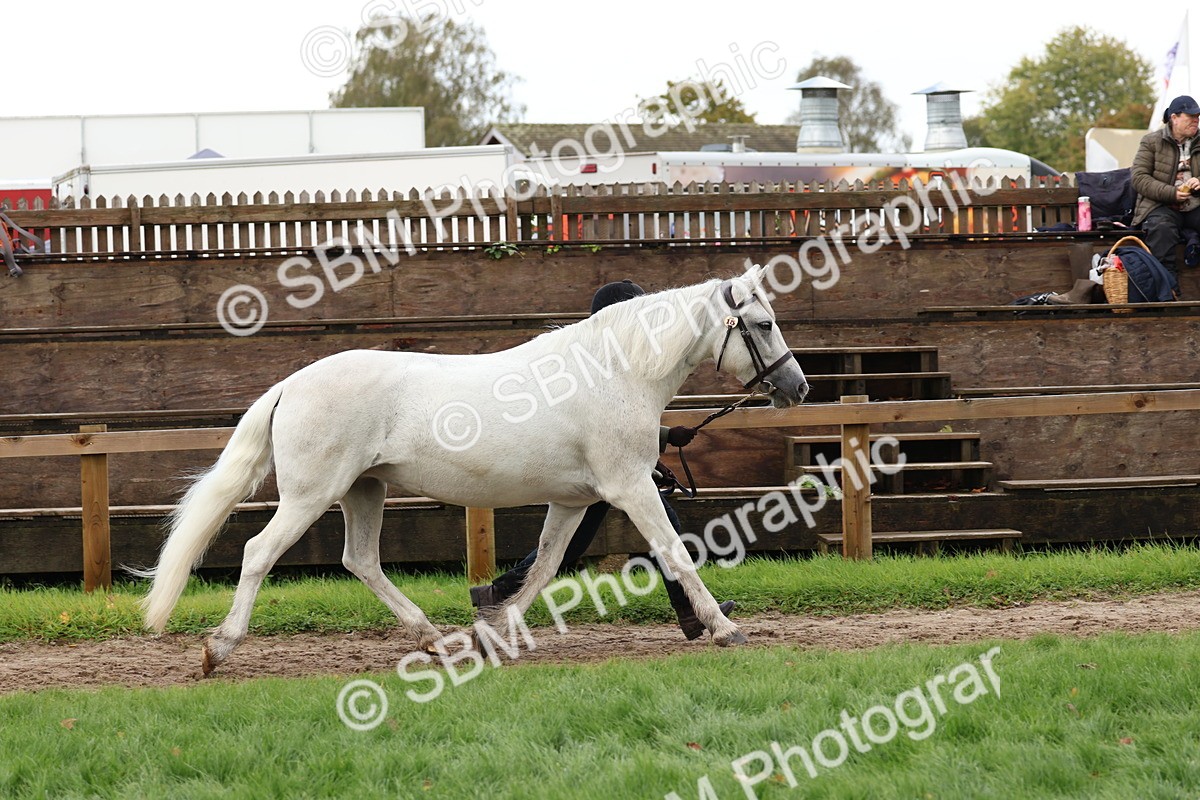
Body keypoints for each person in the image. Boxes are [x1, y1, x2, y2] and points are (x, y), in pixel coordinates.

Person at [469, 279, 735, 640]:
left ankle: (689, 611)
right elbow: (604, 425)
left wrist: (666, 436)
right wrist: (662, 438)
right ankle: (691, 610)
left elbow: (619, 425)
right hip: (586, 469)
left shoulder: (615, 364)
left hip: (597, 467)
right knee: (619, 534)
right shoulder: (593, 366)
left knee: (593, 539)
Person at [1131, 95, 1200, 287]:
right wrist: (1171, 193)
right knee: (1161, 230)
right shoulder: (1151, 141)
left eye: (1198, 117)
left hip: (1196, 205)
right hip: (1161, 205)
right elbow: (1138, 177)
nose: (1196, 120)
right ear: (1174, 117)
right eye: (1191, 116)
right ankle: (1168, 293)